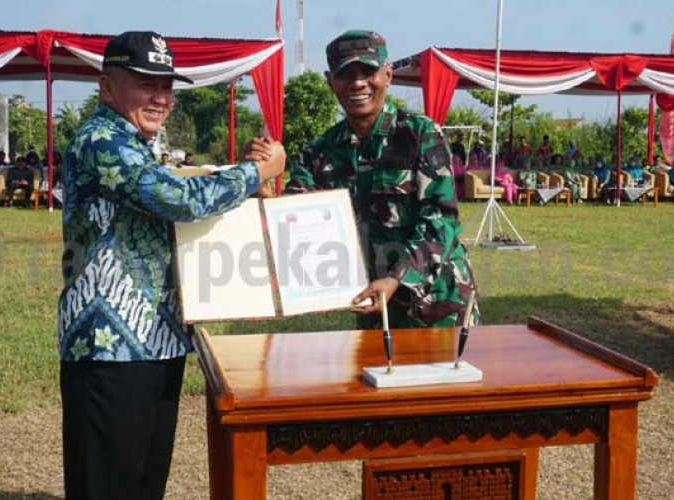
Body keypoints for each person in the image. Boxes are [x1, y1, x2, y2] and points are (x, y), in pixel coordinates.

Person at [56, 31, 285, 500]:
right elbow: (176, 198)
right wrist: (258, 172)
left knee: (144, 480)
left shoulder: (139, 144)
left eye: (166, 87)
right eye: (145, 84)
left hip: (156, 341)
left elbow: (181, 192)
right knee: (107, 484)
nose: (160, 98)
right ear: (106, 87)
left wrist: (238, 180)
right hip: (109, 348)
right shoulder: (100, 141)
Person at [283, 30, 478, 329]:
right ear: (330, 81)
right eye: (346, 73)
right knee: (376, 375)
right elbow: (293, 217)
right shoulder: (318, 152)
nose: (358, 82)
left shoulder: (419, 134)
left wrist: (395, 278)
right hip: (373, 306)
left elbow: (441, 219)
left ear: (388, 75)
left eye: (368, 71)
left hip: (436, 305)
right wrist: (261, 178)